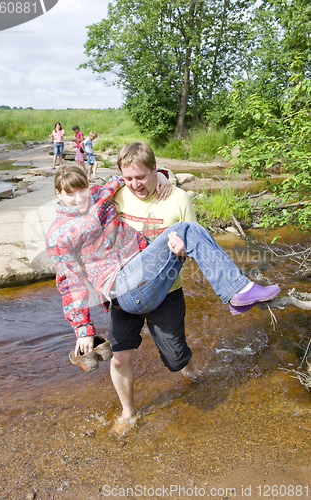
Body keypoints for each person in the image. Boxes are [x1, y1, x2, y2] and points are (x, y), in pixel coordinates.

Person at [46, 163, 280, 395]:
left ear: (89, 185)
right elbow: (70, 282)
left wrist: (161, 174)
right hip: (121, 286)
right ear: (58, 194)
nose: (79, 198)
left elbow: (128, 176)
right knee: (186, 230)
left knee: (175, 359)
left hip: (144, 275)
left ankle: (195, 374)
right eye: (70, 194)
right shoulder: (60, 234)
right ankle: (238, 291)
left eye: (82, 190)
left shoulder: (101, 193)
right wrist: (83, 329)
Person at [108, 142, 280, 429]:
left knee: (175, 361)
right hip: (126, 287)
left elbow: (197, 245)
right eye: (129, 178)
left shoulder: (177, 198)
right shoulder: (115, 196)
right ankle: (128, 413)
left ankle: (189, 368)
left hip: (166, 290)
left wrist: (182, 251)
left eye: (142, 177)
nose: (135, 184)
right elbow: (83, 195)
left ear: (153, 170)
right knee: (118, 358)